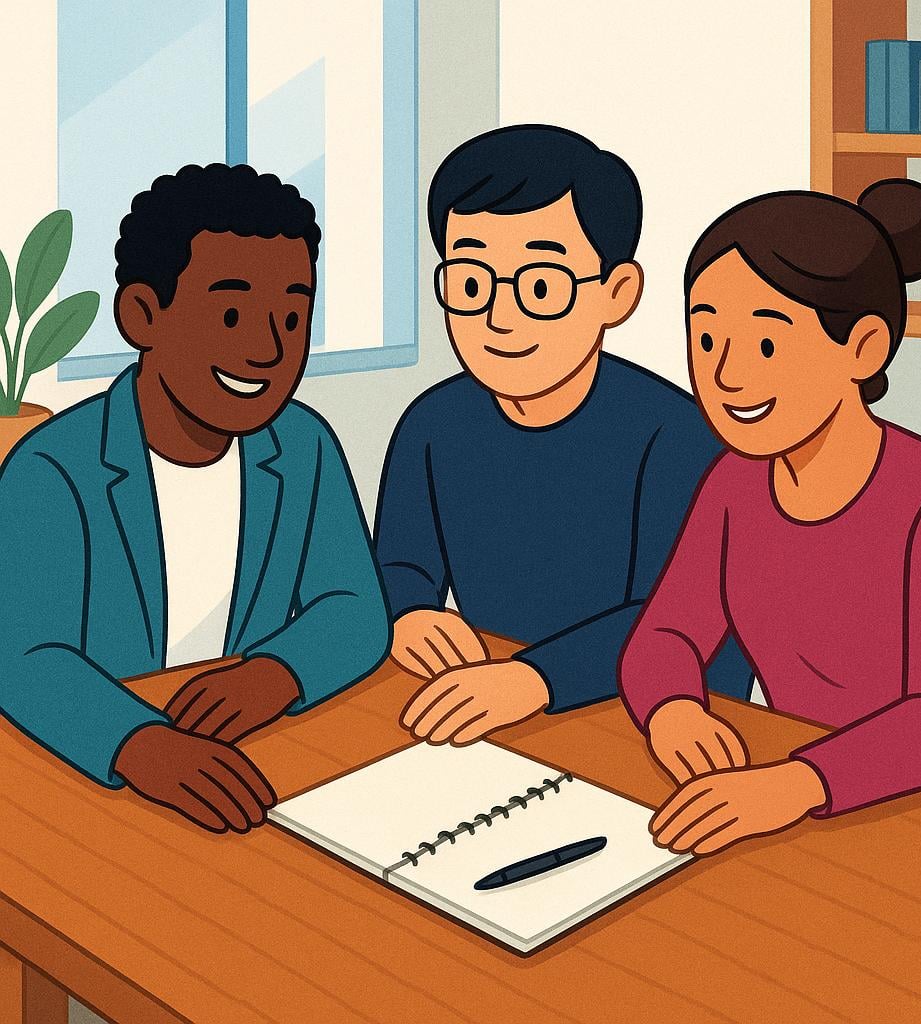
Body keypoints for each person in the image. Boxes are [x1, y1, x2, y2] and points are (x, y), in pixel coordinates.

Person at [619, 179, 921, 857]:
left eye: (767, 346)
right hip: (809, 804)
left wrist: (798, 784)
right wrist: (674, 709)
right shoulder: (734, 484)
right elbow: (665, 634)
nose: (726, 375)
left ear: (863, 348)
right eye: (707, 337)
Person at [0, 164, 390, 833]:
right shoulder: (52, 469)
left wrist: (277, 672)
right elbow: (25, 655)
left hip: (261, 769)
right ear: (143, 314)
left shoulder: (303, 446)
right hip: (101, 796)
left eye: (293, 316)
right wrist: (138, 743)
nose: (269, 349)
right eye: (232, 313)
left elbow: (355, 608)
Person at [376, 125, 752, 747]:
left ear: (617, 293)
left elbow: (677, 625)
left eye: (540, 288)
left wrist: (534, 679)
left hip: (661, 728)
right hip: (493, 715)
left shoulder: (683, 440)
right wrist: (408, 611)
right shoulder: (432, 424)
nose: (499, 318)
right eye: (471, 284)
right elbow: (397, 564)